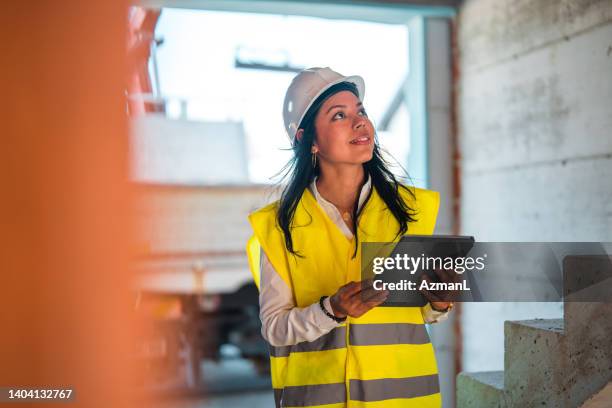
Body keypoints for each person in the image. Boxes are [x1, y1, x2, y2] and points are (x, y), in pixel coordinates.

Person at [246, 67, 453, 408]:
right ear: (307, 140)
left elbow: (418, 314)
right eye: (339, 115)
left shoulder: (412, 209)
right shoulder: (279, 226)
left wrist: (439, 302)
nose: (360, 123)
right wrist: (332, 309)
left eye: (361, 111)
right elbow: (275, 328)